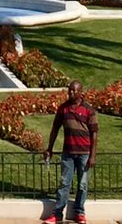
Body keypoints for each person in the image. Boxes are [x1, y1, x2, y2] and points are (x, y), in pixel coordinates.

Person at [42, 80, 98, 224]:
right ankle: (57, 214)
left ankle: (79, 213)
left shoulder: (89, 110)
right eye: (69, 90)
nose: (71, 93)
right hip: (68, 153)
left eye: (74, 90)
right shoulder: (63, 109)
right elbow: (55, 129)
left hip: (84, 154)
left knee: (82, 185)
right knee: (64, 183)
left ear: (81, 92)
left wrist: (92, 155)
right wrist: (50, 148)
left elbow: (94, 134)